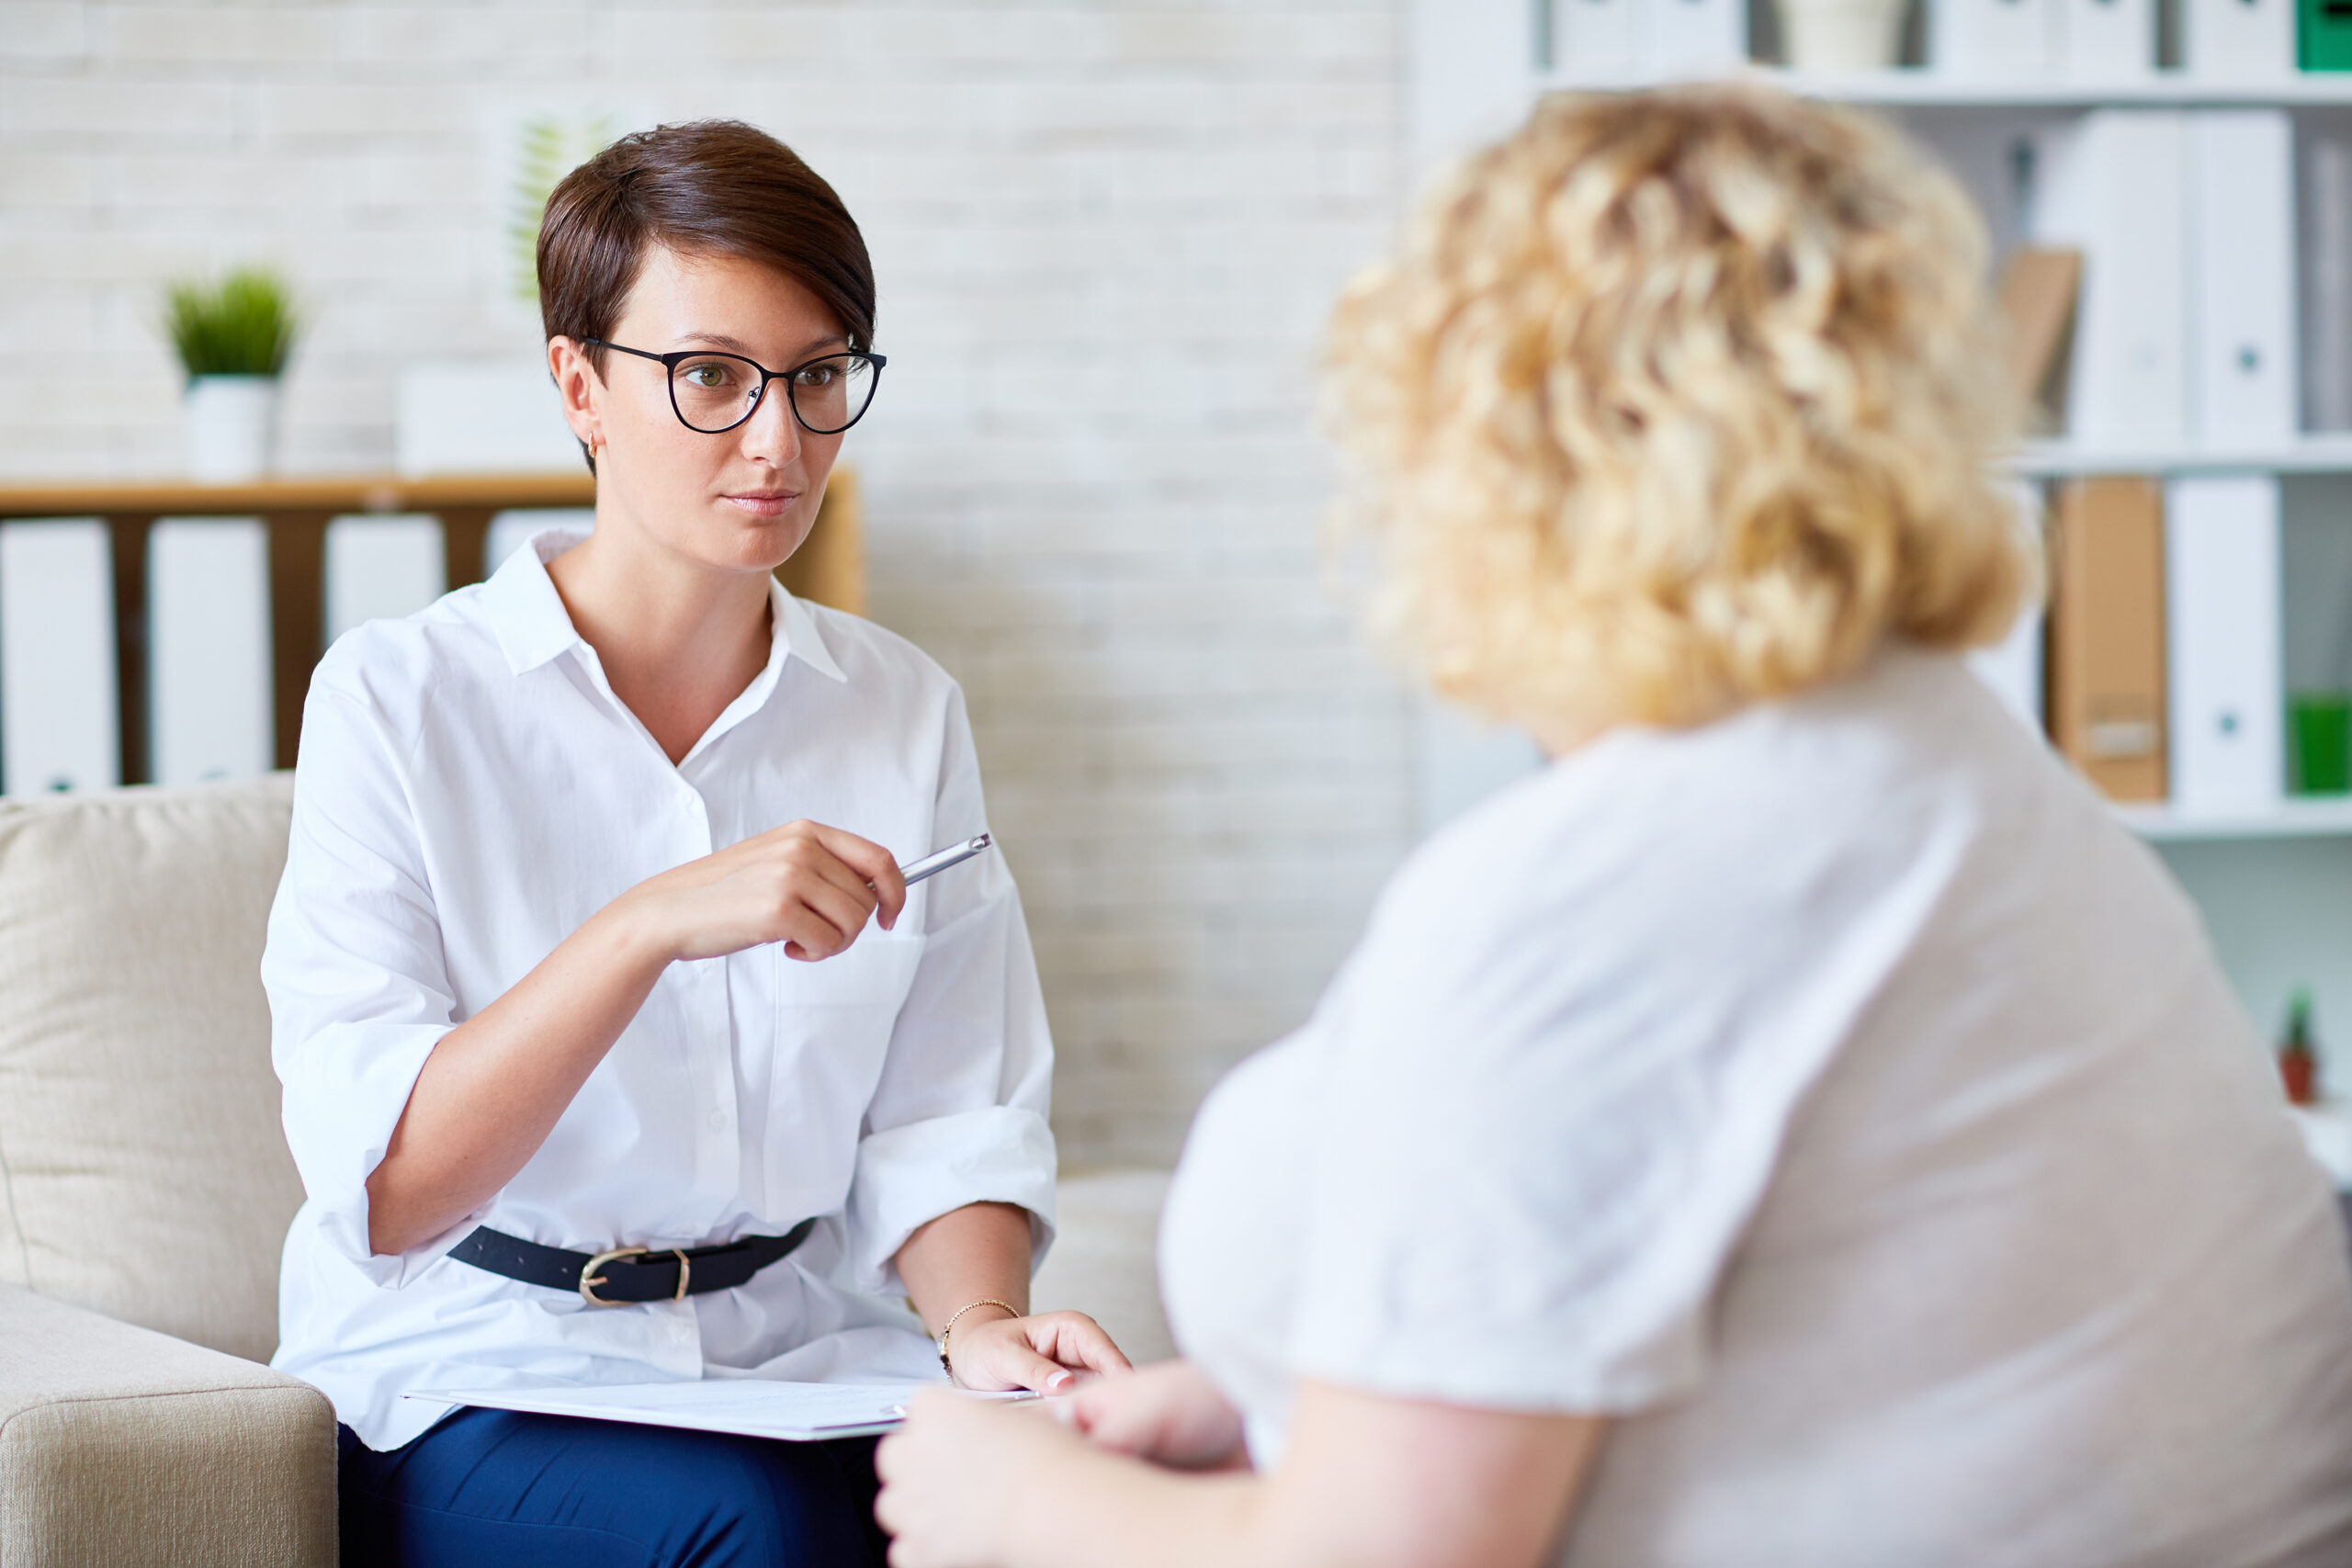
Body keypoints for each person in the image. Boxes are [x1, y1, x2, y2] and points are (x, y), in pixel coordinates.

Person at [873, 84, 2352, 1568]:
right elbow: (1836, 1348)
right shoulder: (1969, 780)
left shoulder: (1617, 886)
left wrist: (1023, 1509)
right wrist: (1264, 1415)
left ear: (1491, 468)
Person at [265, 119, 1125, 1568]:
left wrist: (982, 1329)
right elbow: (390, 1186)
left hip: (801, 1353)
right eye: (713, 377)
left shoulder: (902, 709)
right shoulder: (399, 699)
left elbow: (949, 1107)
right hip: (478, 1368)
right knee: (767, 1535)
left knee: (1088, 1500)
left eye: (818, 376)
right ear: (580, 386)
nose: (779, 440)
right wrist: (651, 920)